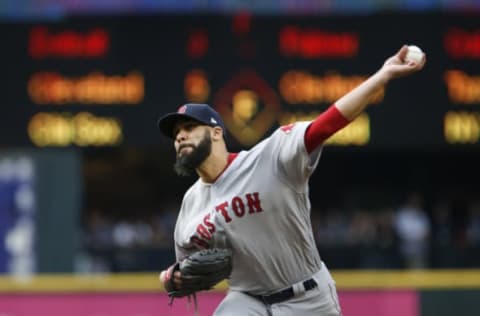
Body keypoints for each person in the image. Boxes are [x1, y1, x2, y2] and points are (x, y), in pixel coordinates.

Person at [157, 45, 426, 316]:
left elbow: (327, 123)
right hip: (247, 300)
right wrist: (171, 277)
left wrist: (382, 76)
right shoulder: (191, 203)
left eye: (190, 127)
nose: (180, 136)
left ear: (216, 133)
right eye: (176, 133)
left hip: (307, 297)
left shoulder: (271, 157)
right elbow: (184, 268)